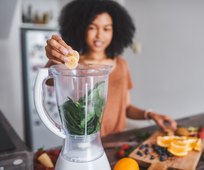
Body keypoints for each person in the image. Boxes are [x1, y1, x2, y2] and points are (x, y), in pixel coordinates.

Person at [45, 0, 177, 137]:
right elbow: (48, 79)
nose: (99, 35)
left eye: (106, 28)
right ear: (81, 28)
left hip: (115, 142)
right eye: (92, 27)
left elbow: (126, 108)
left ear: (116, 31)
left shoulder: (122, 65)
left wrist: (150, 114)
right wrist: (54, 57)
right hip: (81, 143)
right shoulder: (72, 65)